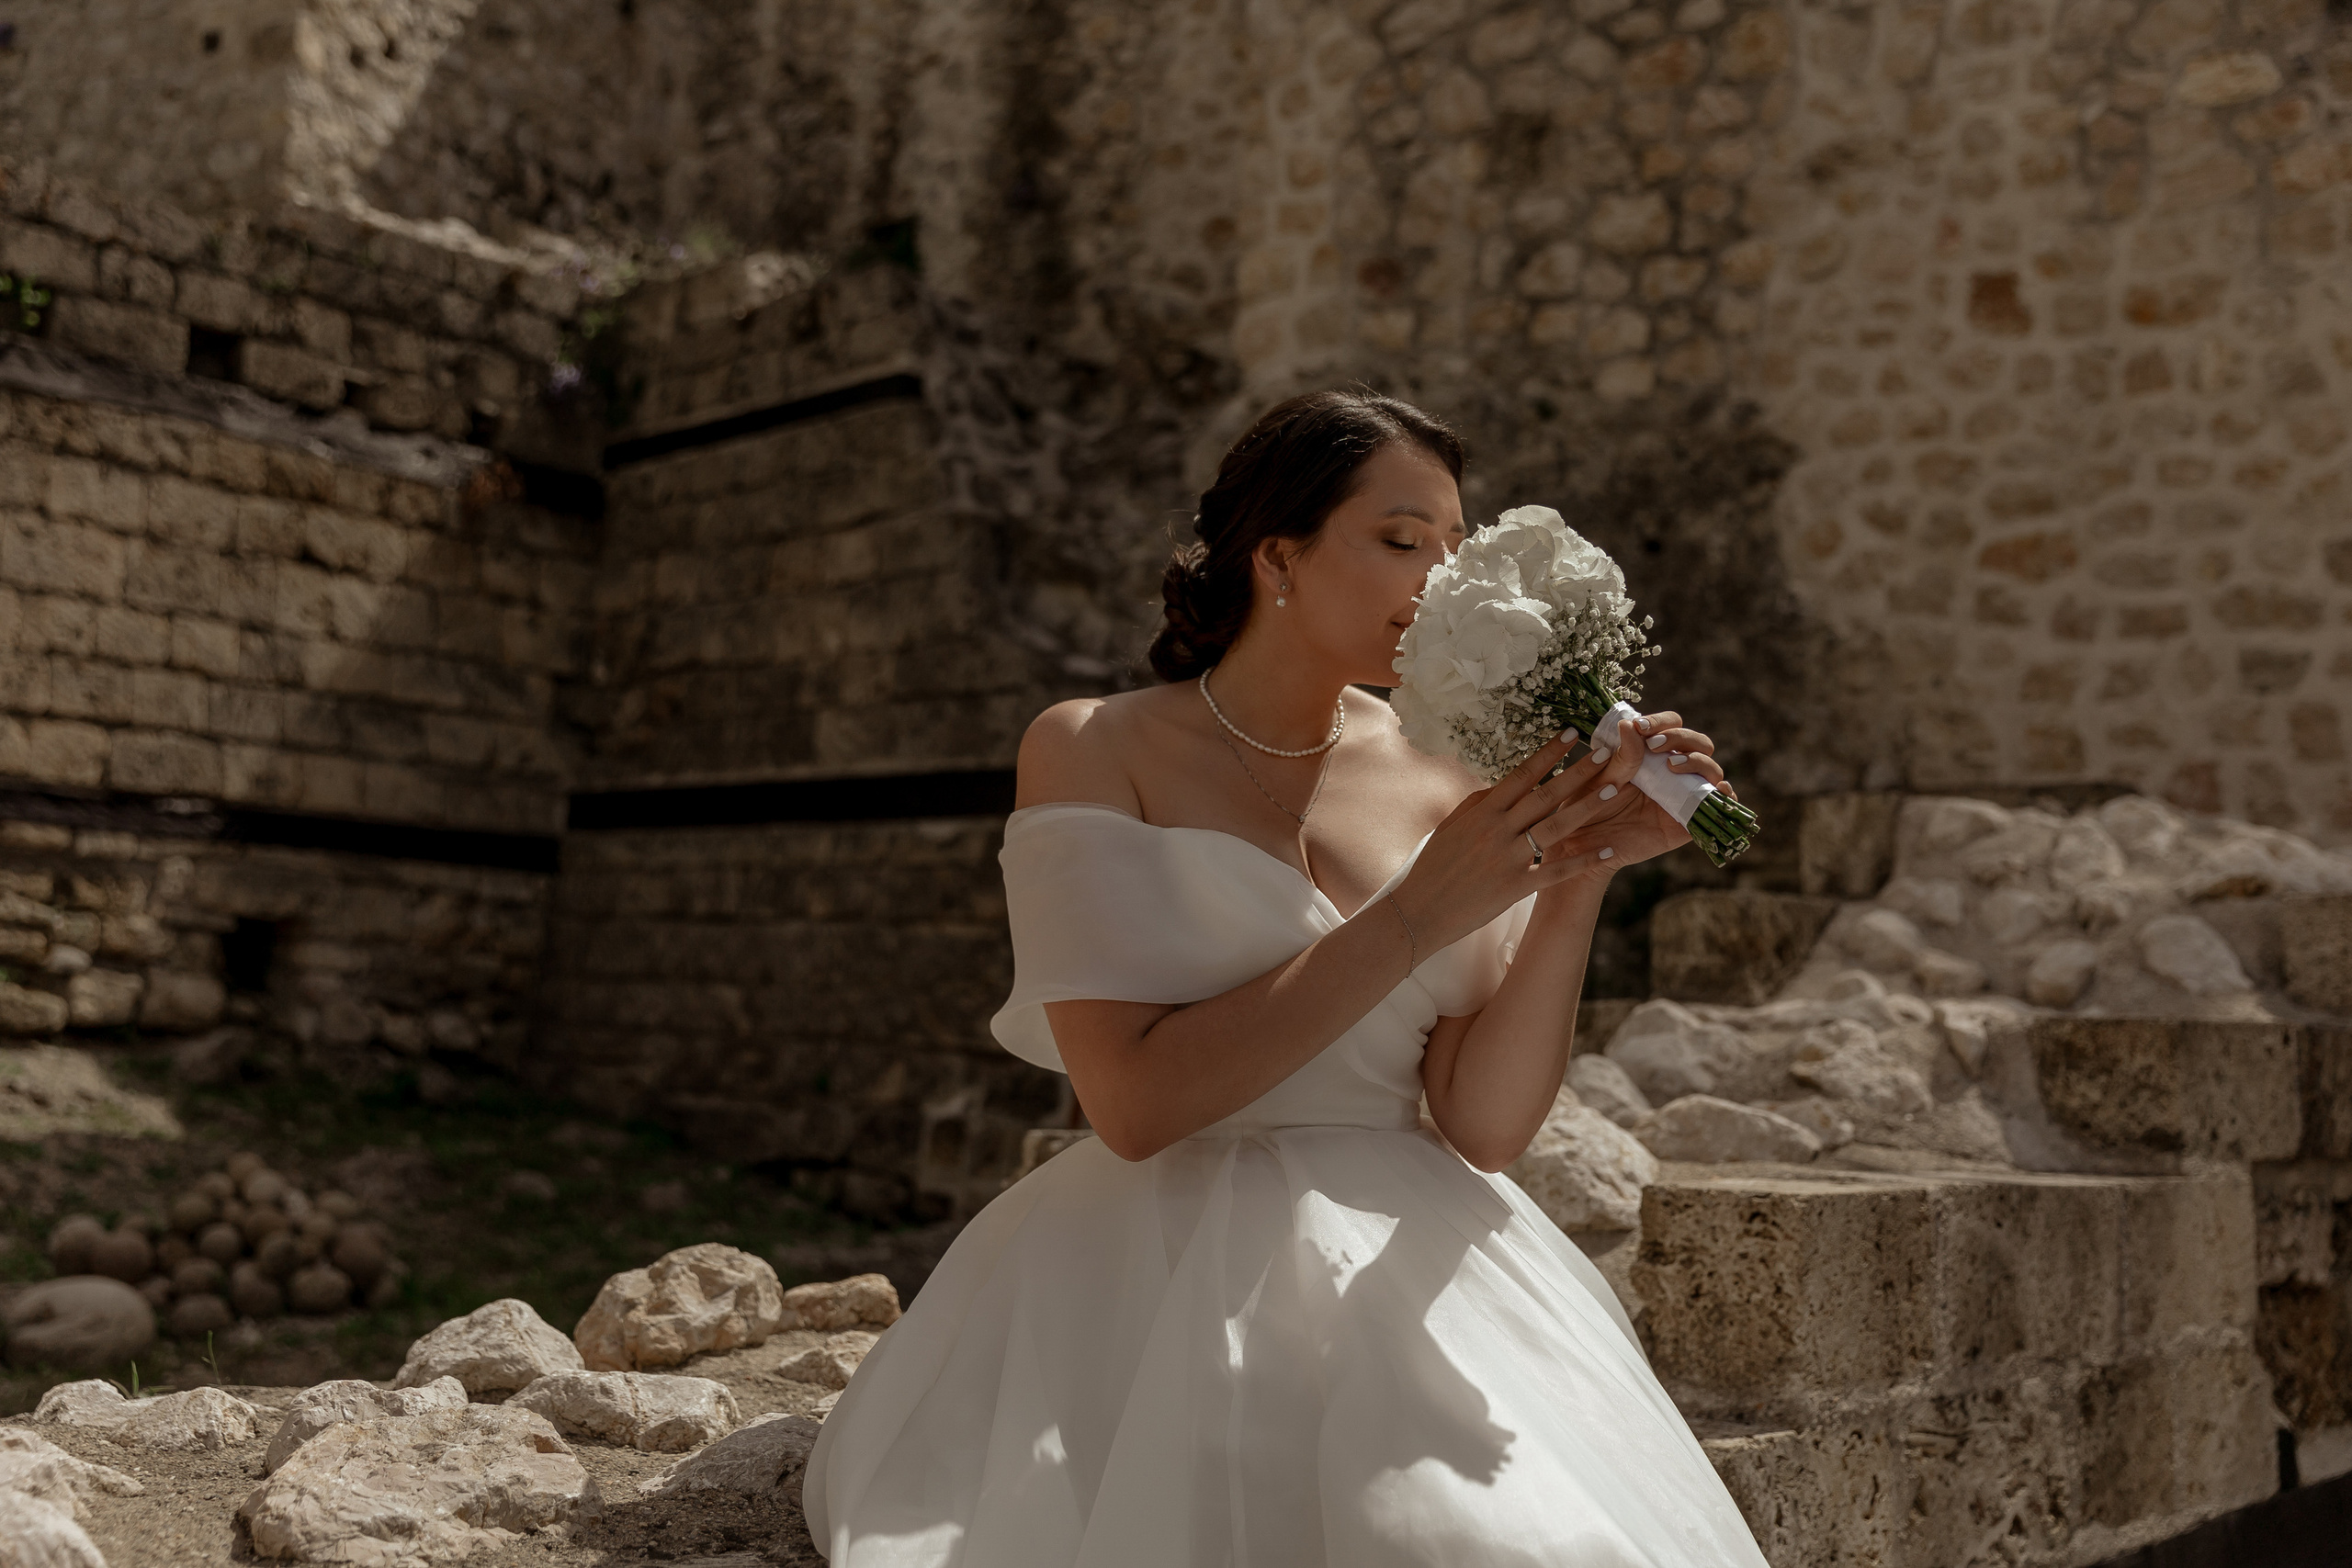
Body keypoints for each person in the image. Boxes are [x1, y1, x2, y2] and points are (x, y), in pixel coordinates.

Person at [804, 389, 1770, 1565]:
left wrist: (1578, 870)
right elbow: (1134, 1106)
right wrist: (1420, 912)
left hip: (1422, 1268)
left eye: (1456, 548)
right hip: (1140, 1275)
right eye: (1401, 540)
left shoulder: (1446, 770)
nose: (1443, 579)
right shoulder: (1094, 747)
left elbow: (1480, 1122)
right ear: (1278, 554)